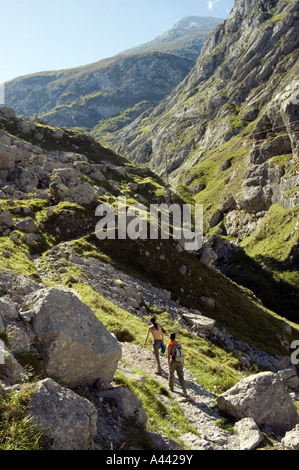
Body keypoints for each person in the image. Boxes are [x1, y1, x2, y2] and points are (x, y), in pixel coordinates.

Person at [167, 332, 189, 397]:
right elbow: (181, 353)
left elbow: (168, 356)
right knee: (181, 376)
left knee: (171, 375)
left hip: (173, 361)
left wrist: (169, 365)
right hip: (179, 361)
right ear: (175, 337)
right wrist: (183, 361)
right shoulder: (178, 344)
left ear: (170, 337)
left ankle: (171, 388)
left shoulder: (169, 345)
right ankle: (184, 391)